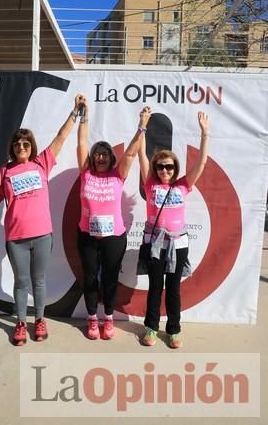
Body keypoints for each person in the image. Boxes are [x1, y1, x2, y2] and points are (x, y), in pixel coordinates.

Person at [0, 95, 82, 346]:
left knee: (40, 281)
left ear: (32, 146)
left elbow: (61, 137)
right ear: (12, 148)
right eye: (17, 144)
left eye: (25, 143)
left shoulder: (41, 163)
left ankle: (40, 320)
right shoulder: (5, 171)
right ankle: (21, 323)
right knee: (22, 282)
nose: (21, 147)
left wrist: (75, 111)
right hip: (16, 238)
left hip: (43, 235)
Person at [76, 95, 151, 340]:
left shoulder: (117, 176)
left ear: (110, 158)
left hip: (114, 237)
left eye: (105, 154)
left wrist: (142, 126)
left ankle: (107, 318)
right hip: (87, 235)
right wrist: (83, 114)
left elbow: (130, 154)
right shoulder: (86, 174)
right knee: (89, 278)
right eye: (97, 154)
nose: (100, 157)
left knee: (109, 278)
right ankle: (91, 319)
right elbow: (82, 142)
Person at [138, 111, 209, 348]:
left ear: (174, 168)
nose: (164, 171)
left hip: (178, 244)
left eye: (169, 167)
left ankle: (174, 330)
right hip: (156, 243)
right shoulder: (150, 184)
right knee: (155, 287)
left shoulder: (183, 185)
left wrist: (205, 134)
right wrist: (143, 126)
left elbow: (202, 163)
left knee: (174, 289)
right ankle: (150, 328)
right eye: (160, 167)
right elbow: (141, 155)